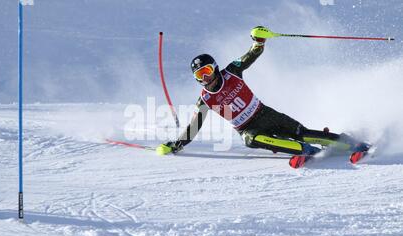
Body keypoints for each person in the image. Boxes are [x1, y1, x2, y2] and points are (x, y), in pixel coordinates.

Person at [156, 26, 369, 167]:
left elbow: (252, 54)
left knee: (302, 133)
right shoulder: (205, 100)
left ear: (215, 68)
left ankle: (355, 145)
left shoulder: (232, 71)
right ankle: (306, 151)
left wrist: (259, 41)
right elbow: (193, 127)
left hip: (264, 114)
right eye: (200, 75)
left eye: (207, 71)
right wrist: (177, 144)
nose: (205, 78)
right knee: (250, 140)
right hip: (248, 127)